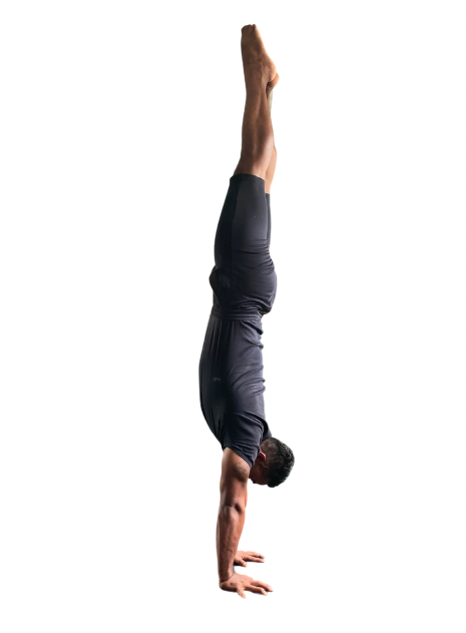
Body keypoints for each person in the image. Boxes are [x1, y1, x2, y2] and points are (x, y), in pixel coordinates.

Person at [198, 24, 294, 599]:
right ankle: (256, 69)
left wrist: (232, 545)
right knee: (252, 163)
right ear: (261, 457)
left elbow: (237, 504)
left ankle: (267, 88)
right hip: (242, 280)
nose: (245, 478)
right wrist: (225, 573)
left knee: (261, 170)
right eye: (254, 474)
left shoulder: (248, 426)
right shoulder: (246, 431)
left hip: (248, 288)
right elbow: (232, 501)